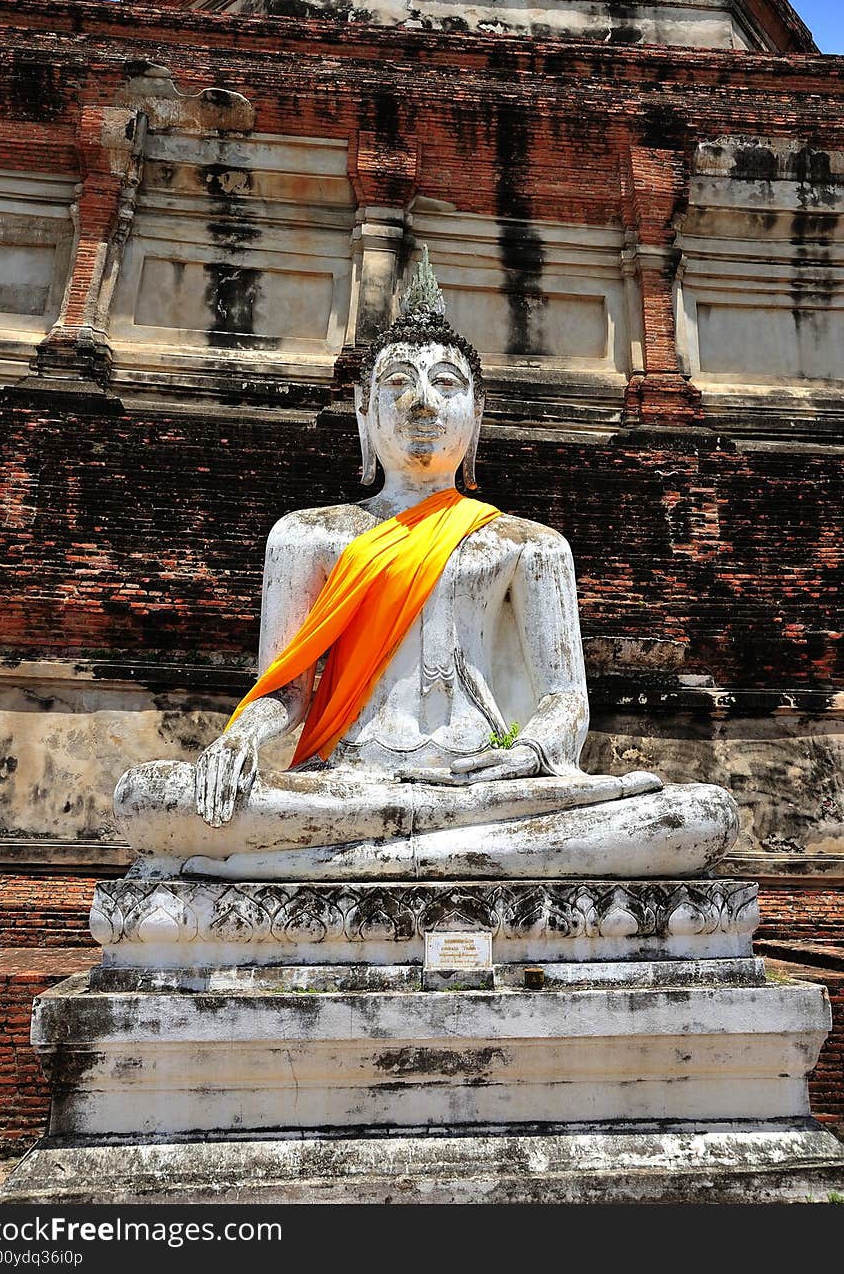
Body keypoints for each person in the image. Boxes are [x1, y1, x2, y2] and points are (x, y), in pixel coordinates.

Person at [115, 252, 738, 880]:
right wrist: (239, 741)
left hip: (485, 785)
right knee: (150, 797)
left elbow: (564, 700)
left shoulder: (530, 545)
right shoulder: (308, 536)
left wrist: (524, 755)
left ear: (477, 413)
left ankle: (344, 863)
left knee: (698, 813)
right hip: (351, 781)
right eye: (397, 385)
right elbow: (287, 693)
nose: (423, 402)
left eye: (446, 384)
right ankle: (438, 856)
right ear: (364, 412)